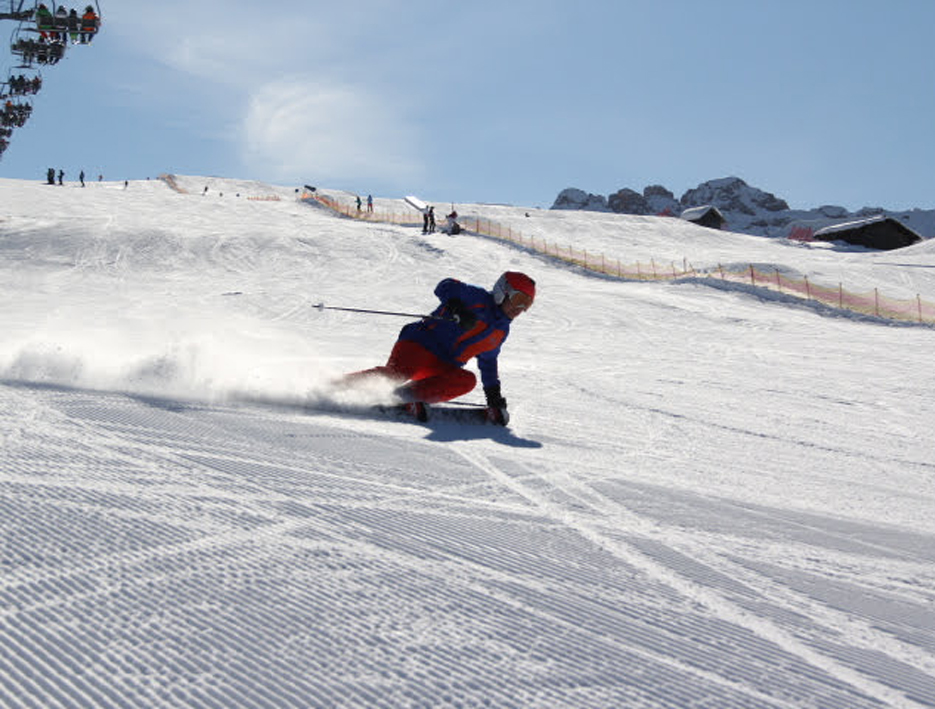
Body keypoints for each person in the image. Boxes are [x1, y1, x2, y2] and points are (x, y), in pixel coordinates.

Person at [345, 271, 536, 424]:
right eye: (519, 299)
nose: (520, 308)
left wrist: (493, 395)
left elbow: (488, 361)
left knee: (466, 380)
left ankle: (402, 398)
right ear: (503, 291)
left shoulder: (501, 331)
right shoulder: (477, 297)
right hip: (420, 343)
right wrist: (457, 308)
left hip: (444, 363)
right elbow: (445, 285)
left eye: (527, 304)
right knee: (399, 373)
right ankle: (338, 385)